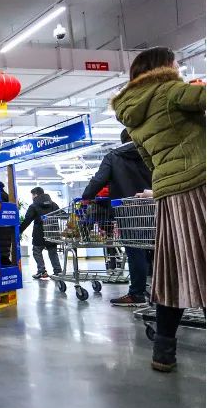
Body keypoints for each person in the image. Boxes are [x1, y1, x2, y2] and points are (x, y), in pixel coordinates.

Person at [111, 46, 205, 372]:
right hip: (199, 184)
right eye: (175, 62)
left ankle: (163, 351)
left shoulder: (132, 113)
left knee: (174, 273)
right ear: (163, 66)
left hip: (168, 195)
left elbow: (149, 160)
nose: (178, 67)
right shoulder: (169, 90)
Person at [81, 128, 152, 306]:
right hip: (155, 208)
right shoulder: (151, 151)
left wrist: (86, 196)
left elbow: (98, 180)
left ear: (122, 140)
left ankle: (137, 294)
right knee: (156, 249)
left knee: (135, 250)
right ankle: (163, 293)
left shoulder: (113, 156)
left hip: (127, 211)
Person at [20, 187, 62, 279]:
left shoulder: (33, 206)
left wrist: (19, 230)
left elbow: (27, 220)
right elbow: (62, 214)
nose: (32, 197)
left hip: (39, 233)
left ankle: (42, 271)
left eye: (32, 195)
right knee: (53, 252)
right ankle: (58, 271)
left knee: (37, 251)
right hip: (52, 232)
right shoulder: (53, 204)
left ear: (35, 194)